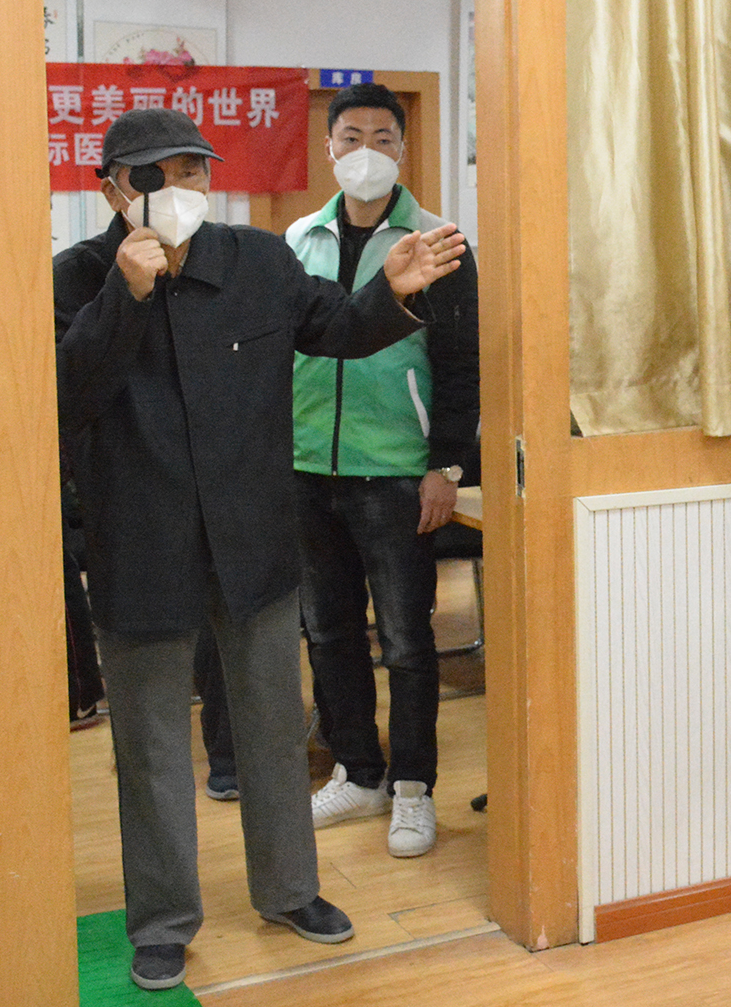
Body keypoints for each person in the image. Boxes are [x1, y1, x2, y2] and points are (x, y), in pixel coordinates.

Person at [54, 108, 464, 992]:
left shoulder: (259, 262)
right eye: (156, 176)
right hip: (140, 548)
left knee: (275, 728)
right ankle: (163, 920)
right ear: (115, 189)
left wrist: (390, 291)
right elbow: (63, 394)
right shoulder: (77, 277)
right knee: (152, 749)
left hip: (254, 540)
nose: (180, 190)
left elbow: (337, 329)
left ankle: (289, 890)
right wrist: (124, 295)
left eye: (193, 171)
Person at [287, 83, 481, 860]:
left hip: (397, 471)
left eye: (382, 137)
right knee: (329, 631)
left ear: (402, 148)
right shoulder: (298, 238)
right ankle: (358, 771)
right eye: (351, 137)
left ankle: (412, 787)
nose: (365, 151)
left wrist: (445, 465)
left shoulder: (439, 242)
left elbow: (461, 364)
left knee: (405, 639)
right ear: (329, 147)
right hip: (307, 465)